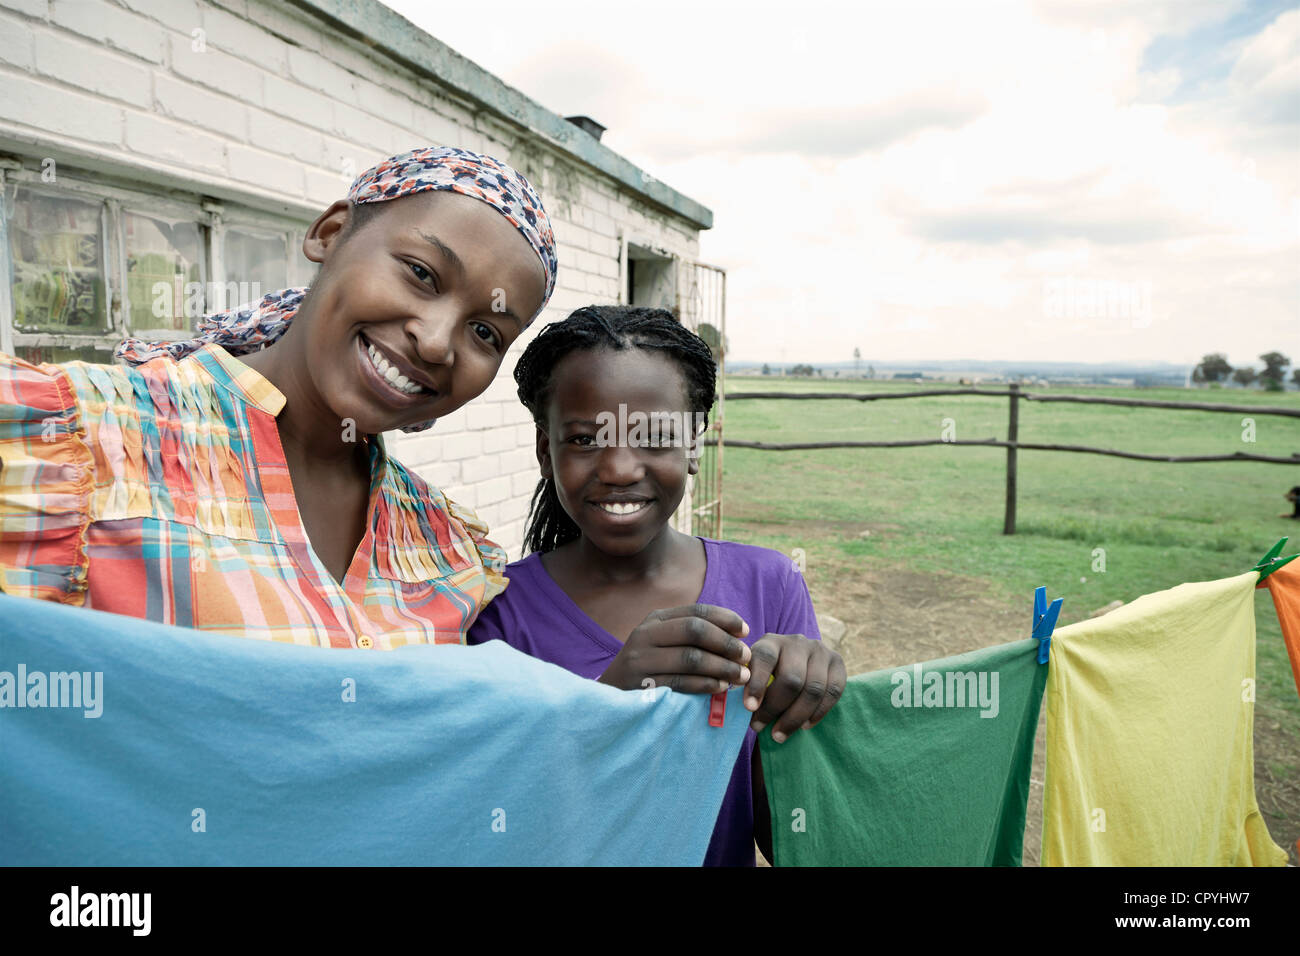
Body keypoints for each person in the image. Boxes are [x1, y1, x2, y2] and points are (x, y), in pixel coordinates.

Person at [0, 146, 557, 648]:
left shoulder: (449, 550)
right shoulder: (74, 440)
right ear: (331, 233)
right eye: (420, 273)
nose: (436, 343)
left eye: (486, 332)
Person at [467, 304, 846, 865]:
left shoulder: (772, 584)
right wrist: (609, 701)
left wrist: (801, 705)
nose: (619, 467)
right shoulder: (498, 612)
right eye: (583, 439)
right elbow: (500, 826)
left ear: (694, 445)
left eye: (654, 437)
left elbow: (789, 834)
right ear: (545, 452)